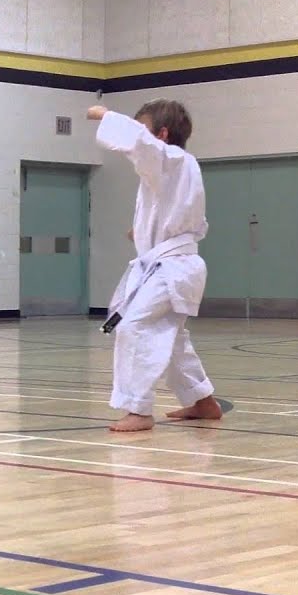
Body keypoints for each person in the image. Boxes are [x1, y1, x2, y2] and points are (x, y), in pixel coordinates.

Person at [88, 100, 223, 431]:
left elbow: (141, 143)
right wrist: (145, 232)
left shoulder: (174, 160)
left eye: (144, 129)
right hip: (172, 265)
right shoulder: (178, 170)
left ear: (161, 134)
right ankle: (202, 401)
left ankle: (138, 409)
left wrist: (107, 116)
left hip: (172, 268)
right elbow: (189, 219)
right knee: (172, 338)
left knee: (132, 326)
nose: (139, 140)